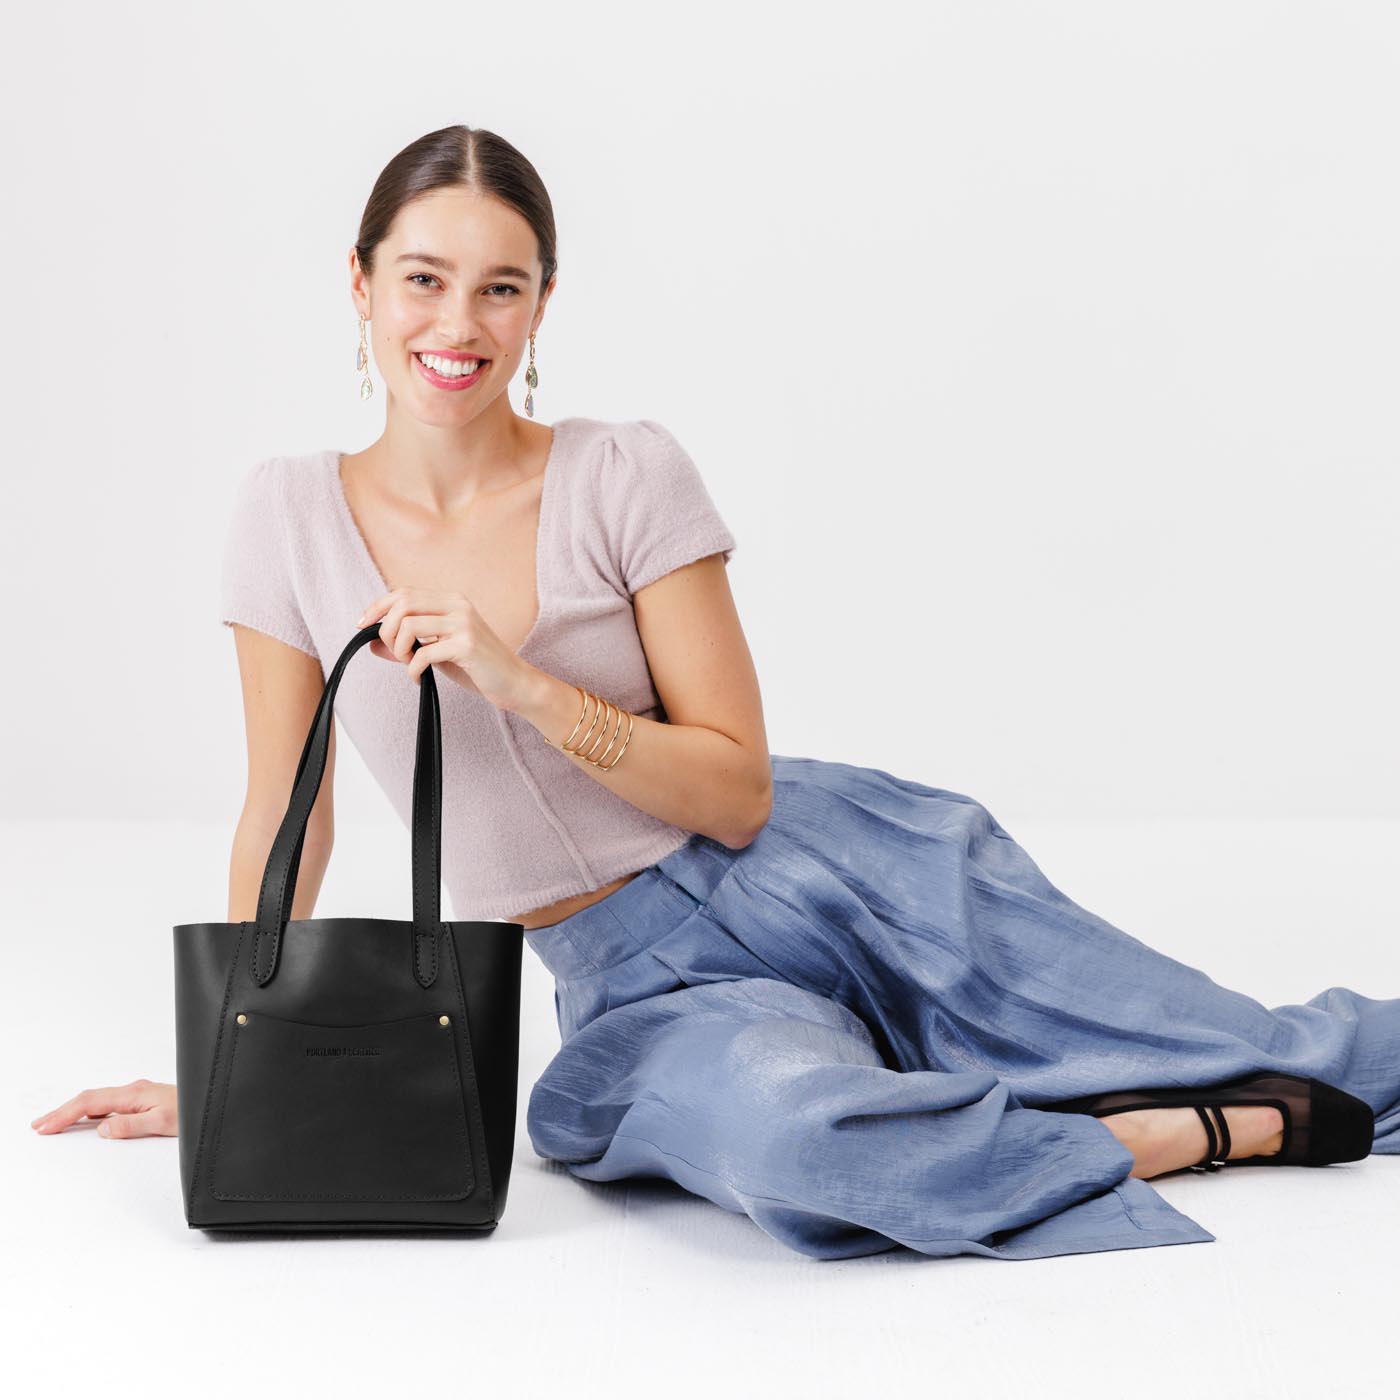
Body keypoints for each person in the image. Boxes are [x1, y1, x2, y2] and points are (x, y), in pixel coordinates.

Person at [29, 124, 1398, 1262]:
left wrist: (521, 683)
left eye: (501, 288)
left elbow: (737, 792)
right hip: (640, 988)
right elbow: (287, 813)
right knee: (802, 1149)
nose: (458, 325)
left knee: (1296, 1045)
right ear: (362, 284)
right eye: (424, 280)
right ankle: (1197, 1133)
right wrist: (235, 1067)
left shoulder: (624, 473)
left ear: (541, 306)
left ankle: (1210, 1090)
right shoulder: (286, 516)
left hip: (846, 875)